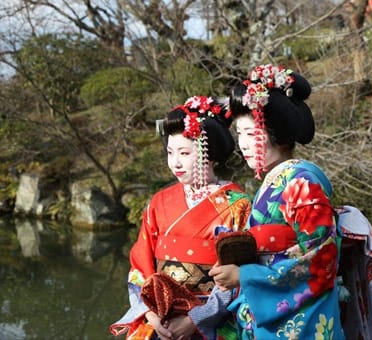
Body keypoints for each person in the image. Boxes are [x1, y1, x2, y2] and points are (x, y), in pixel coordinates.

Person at [209, 64, 346, 339]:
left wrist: (245, 277)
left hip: (298, 322)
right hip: (264, 314)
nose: (243, 144)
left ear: (278, 134)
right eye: (240, 135)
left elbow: (322, 258)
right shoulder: (273, 183)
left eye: (251, 133)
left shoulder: (302, 183)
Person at [110, 95, 251, 340]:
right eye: (170, 152)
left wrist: (195, 319)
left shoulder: (237, 204)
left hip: (211, 321)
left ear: (210, 153)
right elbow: (140, 263)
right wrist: (151, 314)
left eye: (184, 153)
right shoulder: (159, 202)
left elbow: (238, 273)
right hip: (158, 320)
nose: (175, 162)